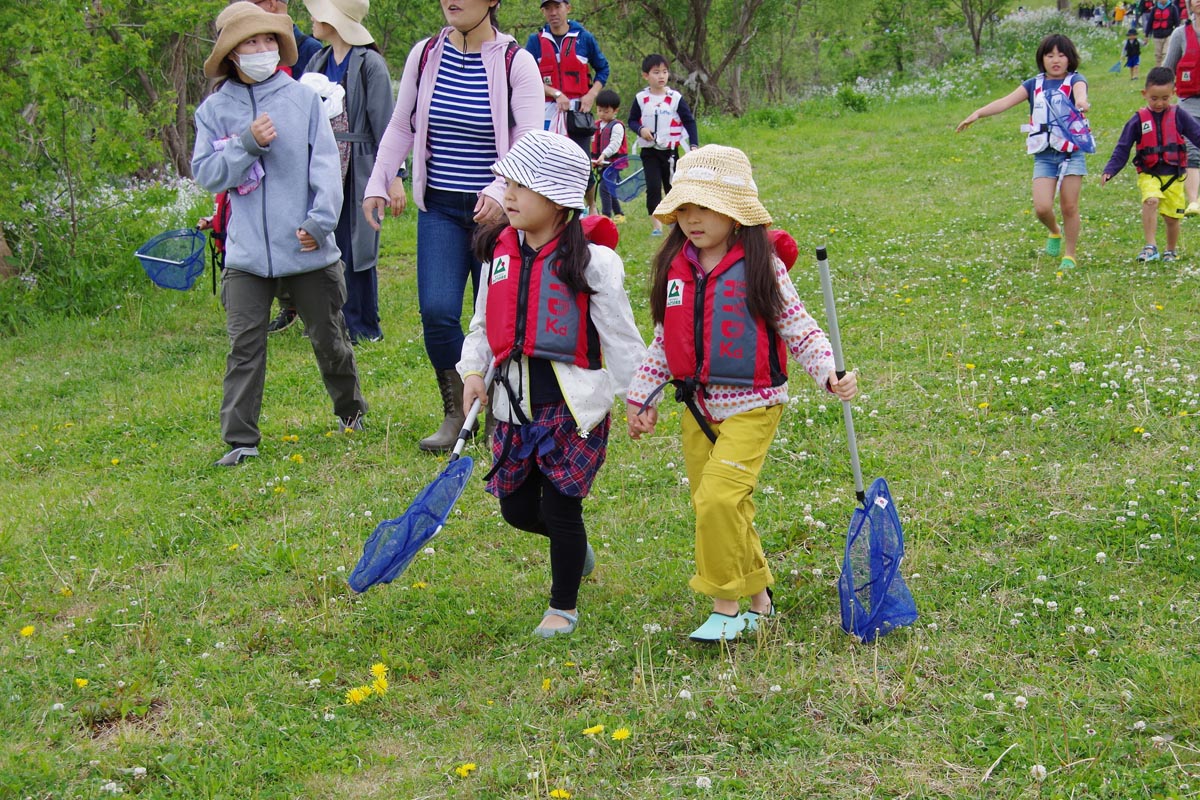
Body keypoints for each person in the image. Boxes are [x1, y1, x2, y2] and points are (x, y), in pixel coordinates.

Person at [625, 145, 858, 642]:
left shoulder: (761, 265)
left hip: (754, 405)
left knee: (717, 500)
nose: (692, 219)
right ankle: (759, 599)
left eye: (704, 207)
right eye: (683, 207)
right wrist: (640, 396)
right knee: (725, 507)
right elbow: (668, 342)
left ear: (735, 213)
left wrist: (830, 373)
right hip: (696, 406)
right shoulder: (678, 268)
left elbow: (799, 328)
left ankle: (725, 606)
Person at [458, 131, 647, 637]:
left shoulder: (594, 263)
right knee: (517, 507)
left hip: (571, 409)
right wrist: (473, 372)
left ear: (560, 199)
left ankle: (563, 605)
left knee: (562, 504)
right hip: (514, 405)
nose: (508, 195)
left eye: (522, 186)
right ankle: (574, 546)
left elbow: (622, 337)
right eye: (507, 183)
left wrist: (639, 396)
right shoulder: (500, 255)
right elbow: (483, 325)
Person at [362, 0, 543, 452]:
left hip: (498, 217)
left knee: (501, 318)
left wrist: (502, 192)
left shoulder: (515, 62)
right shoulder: (425, 55)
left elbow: (530, 136)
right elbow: (401, 126)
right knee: (439, 312)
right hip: (439, 209)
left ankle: (503, 412)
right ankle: (458, 411)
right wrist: (378, 182)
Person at [193, 2, 367, 466]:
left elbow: (328, 167)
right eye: (252, 42)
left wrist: (319, 221)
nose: (263, 49)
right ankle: (241, 440)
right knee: (243, 347)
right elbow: (207, 174)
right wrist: (246, 144)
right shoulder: (214, 111)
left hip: (307, 247)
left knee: (329, 339)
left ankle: (351, 411)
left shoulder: (303, 99)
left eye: (270, 40)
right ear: (232, 53)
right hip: (247, 256)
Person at [303, 0, 398, 344]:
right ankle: (330, 321)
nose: (313, 18)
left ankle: (364, 325)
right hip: (323, 164)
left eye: (320, 12)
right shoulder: (319, 61)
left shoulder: (369, 64)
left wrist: (394, 177)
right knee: (325, 241)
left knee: (358, 246)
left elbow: (388, 124)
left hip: (359, 164)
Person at [956, 33, 1091, 270]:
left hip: (1071, 152)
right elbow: (1005, 101)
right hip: (1044, 154)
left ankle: (1070, 255)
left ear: (1070, 58)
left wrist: (1082, 103)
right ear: (1042, 59)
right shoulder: (1033, 84)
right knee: (1041, 208)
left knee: (1069, 206)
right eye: (1050, 55)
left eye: (1061, 55)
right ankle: (1054, 231)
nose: (1056, 60)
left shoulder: (1075, 80)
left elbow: (1081, 94)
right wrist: (977, 113)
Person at [1101, 66, 1200, 262]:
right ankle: (1150, 246)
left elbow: (1197, 135)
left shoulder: (1179, 115)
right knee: (1150, 201)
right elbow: (1123, 147)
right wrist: (1110, 170)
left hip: (1175, 175)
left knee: (1172, 218)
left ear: (1173, 94)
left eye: (1165, 98)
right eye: (1154, 98)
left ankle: (1170, 250)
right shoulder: (1138, 120)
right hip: (1149, 173)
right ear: (1144, 94)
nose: (1159, 103)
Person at [525, 0, 610, 193]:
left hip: (578, 112)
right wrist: (555, 93)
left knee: (582, 163)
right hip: (547, 112)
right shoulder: (535, 41)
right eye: (548, 8)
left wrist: (591, 95)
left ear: (567, 8)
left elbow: (603, 69)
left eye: (557, 7)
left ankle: (589, 209)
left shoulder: (584, 38)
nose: (553, 12)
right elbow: (527, 76)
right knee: (548, 163)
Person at [628, 54, 699, 236]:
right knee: (653, 187)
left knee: (672, 187)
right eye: (656, 72)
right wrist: (641, 129)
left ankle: (675, 226)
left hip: (670, 152)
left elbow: (689, 121)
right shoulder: (641, 98)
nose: (661, 76)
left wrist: (694, 145)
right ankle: (656, 226)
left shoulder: (675, 98)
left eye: (665, 72)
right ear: (646, 75)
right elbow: (632, 121)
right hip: (649, 151)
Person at [1161, 0, 1200, 213]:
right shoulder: (1180, 34)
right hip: (1189, 103)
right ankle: (1193, 201)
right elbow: (1167, 68)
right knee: (1192, 150)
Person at [590, 88, 627, 222]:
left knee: (605, 189)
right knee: (610, 188)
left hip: (613, 163)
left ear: (615, 111)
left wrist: (604, 155)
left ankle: (606, 217)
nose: (602, 114)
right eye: (600, 110)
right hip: (602, 162)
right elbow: (593, 141)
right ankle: (620, 215)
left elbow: (614, 145)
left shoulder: (616, 126)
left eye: (606, 111)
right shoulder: (596, 125)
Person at [1148, 0, 1181, 65]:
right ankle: (1158, 70)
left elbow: (1177, 21)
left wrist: (1178, 33)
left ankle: (1164, 69)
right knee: (1158, 55)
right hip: (1157, 35)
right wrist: (1147, 34)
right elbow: (1150, 22)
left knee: (1165, 53)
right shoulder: (1154, 9)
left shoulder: (1173, 8)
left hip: (1168, 34)